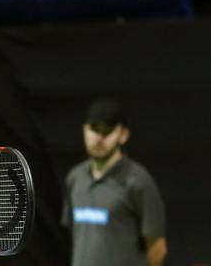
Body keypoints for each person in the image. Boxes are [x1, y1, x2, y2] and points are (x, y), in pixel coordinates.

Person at [62, 98, 167, 266]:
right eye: (94, 129)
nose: (99, 138)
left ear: (123, 135)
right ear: (84, 130)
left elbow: (158, 248)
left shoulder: (139, 181)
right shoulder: (75, 178)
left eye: (107, 131)